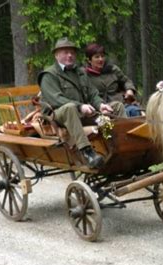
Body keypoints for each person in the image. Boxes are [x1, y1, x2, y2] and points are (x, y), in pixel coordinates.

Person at [38, 37, 122, 168]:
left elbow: (93, 93)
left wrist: (100, 105)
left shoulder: (80, 72)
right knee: (70, 107)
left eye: (72, 52)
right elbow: (56, 99)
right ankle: (87, 153)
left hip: (83, 114)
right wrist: (80, 106)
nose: (70, 55)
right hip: (58, 116)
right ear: (56, 55)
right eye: (65, 52)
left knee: (116, 106)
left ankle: (121, 144)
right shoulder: (49, 75)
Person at [84, 43, 142, 117]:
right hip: (99, 109)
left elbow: (126, 81)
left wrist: (129, 89)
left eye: (102, 56)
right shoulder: (84, 75)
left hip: (120, 105)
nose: (101, 59)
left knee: (134, 111)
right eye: (97, 57)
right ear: (89, 60)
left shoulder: (113, 69)